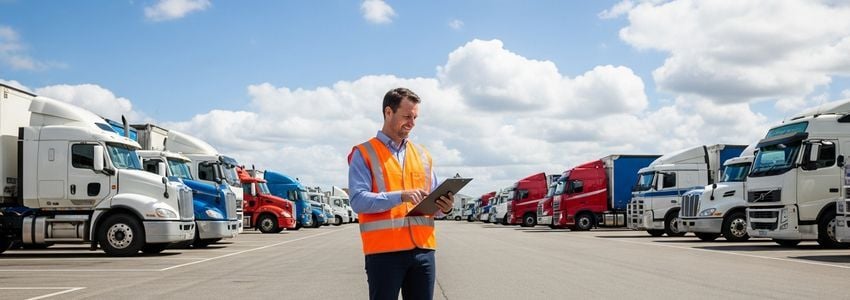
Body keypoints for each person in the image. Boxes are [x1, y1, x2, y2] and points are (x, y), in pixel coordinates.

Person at [348, 87, 455, 300]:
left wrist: (445, 207)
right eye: (407, 116)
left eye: (415, 117)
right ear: (388, 112)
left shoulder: (423, 155)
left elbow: (432, 202)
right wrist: (400, 196)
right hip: (384, 253)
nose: (412, 123)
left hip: (423, 250)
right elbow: (358, 201)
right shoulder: (364, 152)